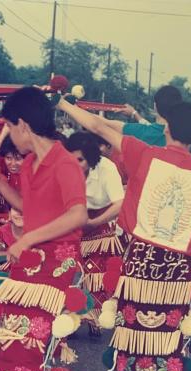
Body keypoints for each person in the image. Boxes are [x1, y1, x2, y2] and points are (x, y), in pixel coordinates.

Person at [58, 96, 191, 371]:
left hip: (143, 263)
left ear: (165, 127)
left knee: (138, 332)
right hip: (179, 270)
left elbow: (99, 126)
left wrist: (63, 103)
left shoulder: (145, 154)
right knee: (170, 333)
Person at [0, 87, 87, 371]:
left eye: (9, 127)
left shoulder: (65, 162)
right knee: (14, 344)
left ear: (22, 124)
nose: (9, 135)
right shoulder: (28, 163)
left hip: (58, 267)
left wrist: (28, 239)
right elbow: (29, 209)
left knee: (37, 345)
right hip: (29, 265)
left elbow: (77, 214)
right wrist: (0, 185)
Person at [64, 131, 125, 337]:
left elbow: (119, 203)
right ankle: (68, 318)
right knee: (67, 269)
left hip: (101, 222)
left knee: (95, 272)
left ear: (91, 158)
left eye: (80, 160)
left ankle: (94, 316)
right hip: (71, 221)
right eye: (71, 159)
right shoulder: (63, 169)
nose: (75, 165)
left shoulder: (107, 168)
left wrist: (94, 222)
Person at [116, 86, 191, 164]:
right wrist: (135, 114)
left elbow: (105, 125)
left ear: (155, 106)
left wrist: (134, 113)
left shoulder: (139, 131)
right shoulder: (188, 134)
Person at [0, 137, 24, 220]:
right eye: (9, 158)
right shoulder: (0, 164)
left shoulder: (31, 176)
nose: (13, 163)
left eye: (18, 158)